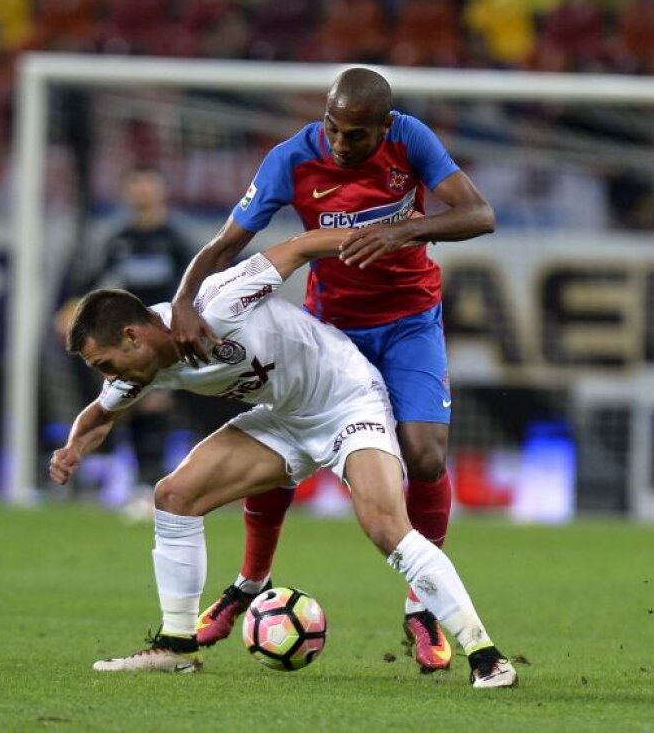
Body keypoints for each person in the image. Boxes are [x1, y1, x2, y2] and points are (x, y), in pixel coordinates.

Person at [49, 228, 517, 689]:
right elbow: (100, 415)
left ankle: (487, 657)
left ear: (132, 336)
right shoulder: (139, 367)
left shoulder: (218, 303)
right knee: (174, 495)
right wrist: (72, 449)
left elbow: (298, 247)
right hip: (286, 418)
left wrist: (384, 239)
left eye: (105, 364)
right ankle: (176, 647)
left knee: (385, 528)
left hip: (346, 398)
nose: (110, 377)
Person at [168, 67, 495, 672]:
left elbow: (479, 214)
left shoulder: (412, 139)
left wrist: (406, 231)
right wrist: (185, 301)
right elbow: (224, 242)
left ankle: (421, 606)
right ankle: (249, 581)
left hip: (409, 321)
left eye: (357, 135)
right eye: (334, 129)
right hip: (329, 330)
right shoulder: (292, 158)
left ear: (384, 127)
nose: (342, 144)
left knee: (424, 456)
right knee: (283, 449)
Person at [56, 168, 194, 520]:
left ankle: (151, 485)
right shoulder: (118, 239)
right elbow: (91, 282)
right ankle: (138, 485)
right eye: (136, 186)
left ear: (160, 191)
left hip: (166, 340)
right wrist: (71, 311)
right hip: (125, 341)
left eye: (148, 185)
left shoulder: (176, 239)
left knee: (155, 405)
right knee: (129, 406)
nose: (142, 193)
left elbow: (196, 283)